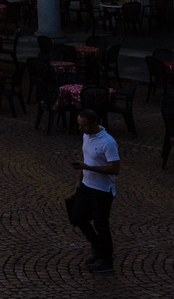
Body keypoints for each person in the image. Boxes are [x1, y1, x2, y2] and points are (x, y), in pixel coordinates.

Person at [72, 109, 120, 274]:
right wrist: (79, 179)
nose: (80, 128)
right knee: (77, 216)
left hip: (102, 190)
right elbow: (85, 158)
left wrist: (87, 168)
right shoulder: (86, 135)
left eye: (83, 125)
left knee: (101, 224)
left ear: (93, 124)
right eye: (79, 124)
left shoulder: (108, 143)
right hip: (86, 186)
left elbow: (115, 169)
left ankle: (106, 259)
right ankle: (97, 247)